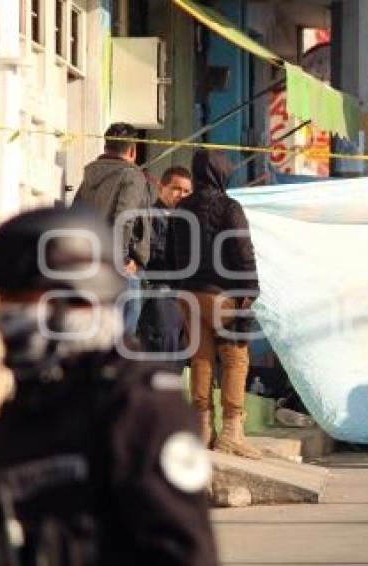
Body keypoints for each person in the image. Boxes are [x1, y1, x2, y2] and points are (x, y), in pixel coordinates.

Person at [0, 207, 218, 565]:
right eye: (3, 299)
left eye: (23, 298)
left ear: (79, 300)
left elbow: (185, 554)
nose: (6, 315)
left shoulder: (140, 409)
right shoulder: (9, 427)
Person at [173, 149, 262, 459]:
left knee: (201, 359)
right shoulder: (229, 207)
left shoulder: (182, 207)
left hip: (188, 293)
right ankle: (231, 432)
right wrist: (250, 287)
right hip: (222, 294)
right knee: (235, 360)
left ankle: (201, 429)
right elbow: (242, 247)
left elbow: (171, 254)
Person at [73, 122, 153, 335]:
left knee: (96, 330)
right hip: (120, 266)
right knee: (122, 333)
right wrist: (125, 258)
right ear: (133, 150)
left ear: (106, 147)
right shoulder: (132, 175)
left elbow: (75, 215)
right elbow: (124, 218)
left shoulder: (89, 177)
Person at [137, 166, 194, 359]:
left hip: (182, 297)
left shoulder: (187, 221)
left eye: (187, 191)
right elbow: (150, 253)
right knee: (161, 356)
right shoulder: (150, 216)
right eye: (176, 188)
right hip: (161, 294)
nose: (182, 195)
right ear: (161, 188)